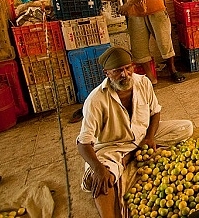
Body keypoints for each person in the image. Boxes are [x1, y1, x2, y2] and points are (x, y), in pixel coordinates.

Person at [77, 46, 193, 218]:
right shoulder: (96, 100)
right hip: (113, 146)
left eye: (128, 68)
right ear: (107, 73)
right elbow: (83, 143)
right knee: (103, 178)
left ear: (132, 67)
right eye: (118, 71)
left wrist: (150, 137)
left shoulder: (143, 83)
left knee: (186, 127)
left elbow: (155, 112)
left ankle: (131, 155)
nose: (125, 74)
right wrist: (99, 169)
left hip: (142, 136)